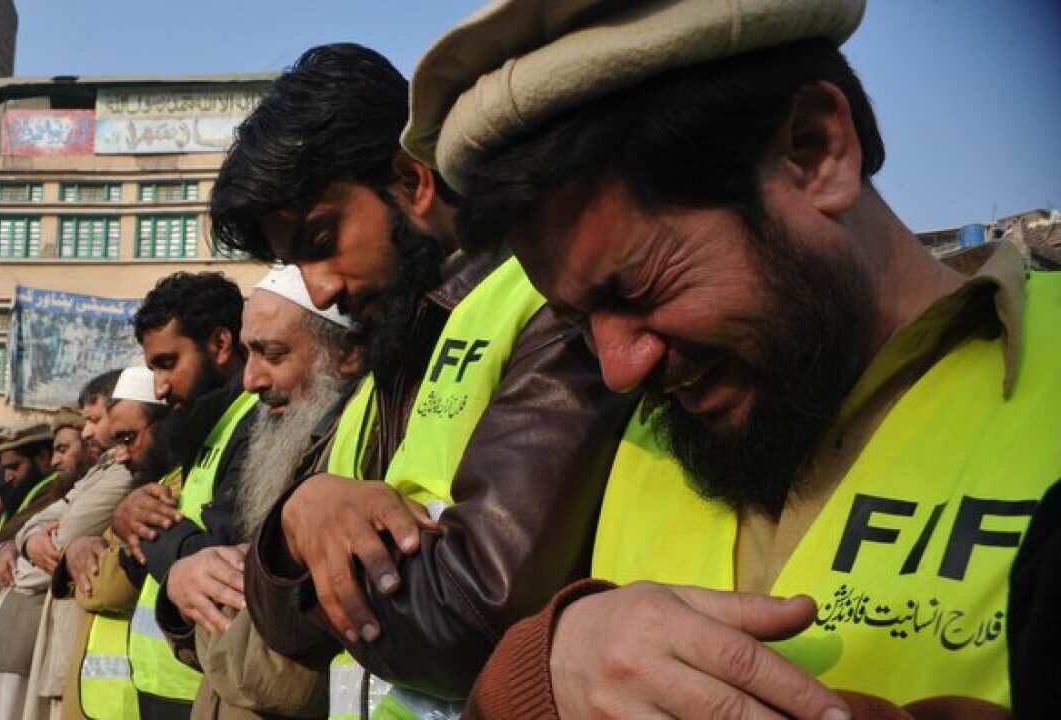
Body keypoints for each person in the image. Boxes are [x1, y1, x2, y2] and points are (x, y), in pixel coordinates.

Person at [400, 0, 1061, 717]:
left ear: (815, 151)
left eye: (639, 286)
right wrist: (544, 663)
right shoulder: (636, 429)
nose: (619, 369)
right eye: (575, 321)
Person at [209, 43, 632, 717]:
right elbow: (283, 631)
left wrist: (309, 543)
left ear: (412, 180)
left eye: (323, 240)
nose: (323, 289)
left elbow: (471, 619)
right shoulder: (390, 350)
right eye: (296, 263)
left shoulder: (547, 299)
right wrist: (300, 515)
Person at [159, 264, 364, 719]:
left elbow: (273, 671)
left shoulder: (360, 450)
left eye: (271, 354)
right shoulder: (282, 435)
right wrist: (182, 578)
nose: (250, 380)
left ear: (347, 355)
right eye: (249, 354)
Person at [103, 272, 257, 719]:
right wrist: (130, 517)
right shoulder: (200, 425)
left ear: (221, 343)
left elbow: (228, 564)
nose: (160, 388)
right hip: (170, 683)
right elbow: (145, 559)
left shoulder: (255, 420)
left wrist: (146, 529)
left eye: (168, 363)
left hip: (212, 686)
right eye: (153, 369)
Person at [20, 373, 138, 720]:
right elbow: (36, 524)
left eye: (94, 420)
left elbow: (66, 533)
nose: (87, 432)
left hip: (90, 657)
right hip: (71, 650)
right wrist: (30, 538)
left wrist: (49, 535)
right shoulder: (104, 467)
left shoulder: (125, 470)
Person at [64, 366, 173, 720]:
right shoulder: (142, 490)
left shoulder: (169, 493)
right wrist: (80, 546)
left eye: (128, 438)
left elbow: (104, 587)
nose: (121, 455)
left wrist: (77, 549)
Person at [0, 424, 64, 720]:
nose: (8, 476)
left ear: (42, 458)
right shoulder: (25, 495)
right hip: (2, 632)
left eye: (15, 466)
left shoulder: (52, 494)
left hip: (26, 637)